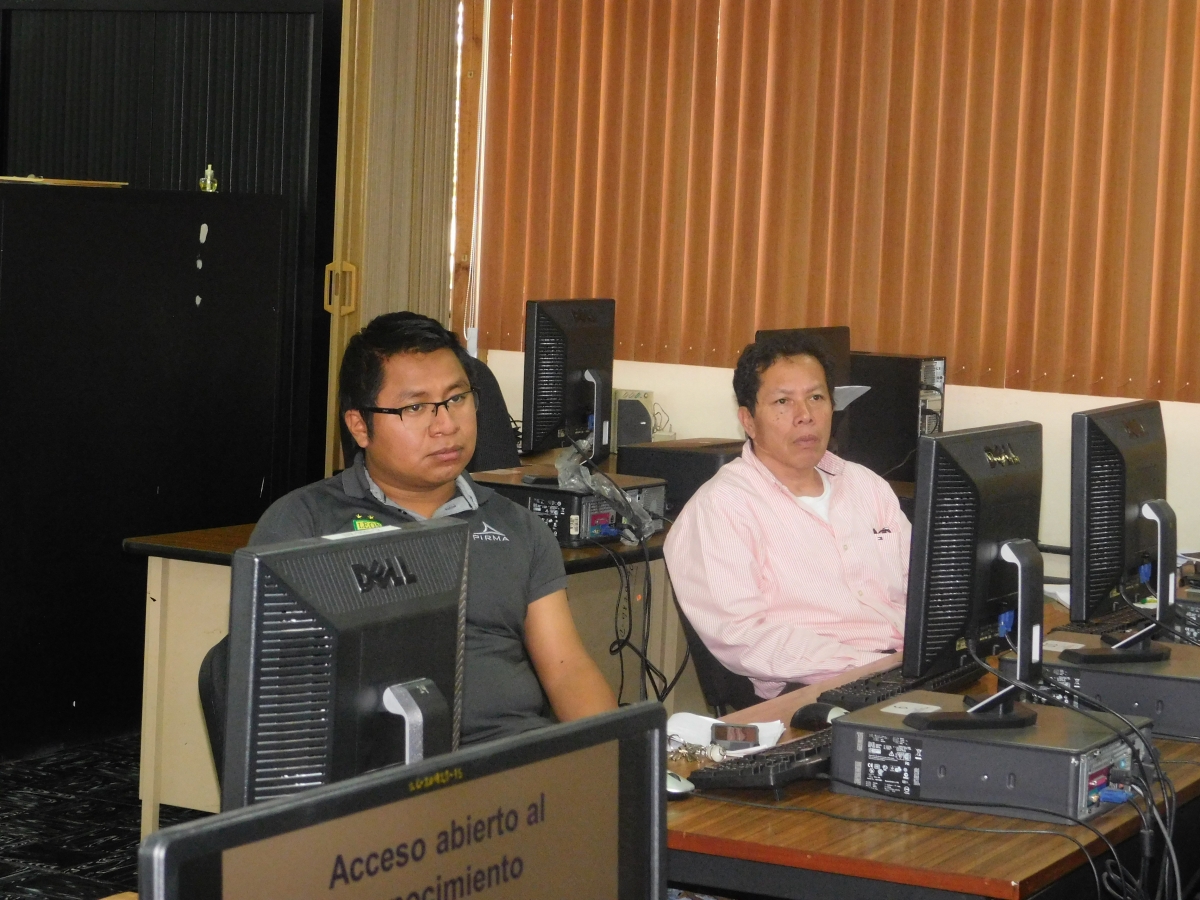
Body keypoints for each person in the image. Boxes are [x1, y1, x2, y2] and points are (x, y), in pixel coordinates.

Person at [253, 312, 616, 743]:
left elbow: (567, 668)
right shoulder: (303, 523)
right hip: (377, 773)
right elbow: (279, 690)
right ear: (359, 426)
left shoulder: (518, 527)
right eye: (415, 407)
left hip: (510, 761)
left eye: (457, 398)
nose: (446, 425)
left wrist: (614, 761)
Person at [664, 331, 911, 699]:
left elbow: (922, 585)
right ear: (748, 420)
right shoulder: (721, 508)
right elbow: (744, 638)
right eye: (783, 401)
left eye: (816, 397)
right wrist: (869, 665)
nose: (805, 416)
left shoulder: (865, 485)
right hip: (813, 691)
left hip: (903, 672)